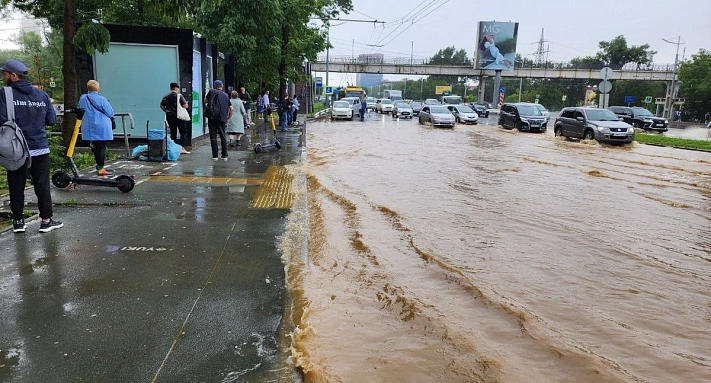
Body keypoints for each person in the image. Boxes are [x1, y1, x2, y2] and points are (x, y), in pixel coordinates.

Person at [0, 59, 62, 233]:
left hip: (15, 149)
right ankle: (46, 220)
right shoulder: (41, 95)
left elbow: (1, 120)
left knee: (16, 184)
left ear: (13, 76)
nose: (3, 77)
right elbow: (51, 120)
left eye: (4, 74)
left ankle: (19, 221)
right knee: (42, 184)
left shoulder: (5, 94)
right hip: (39, 147)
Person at [78, 80, 115, 176]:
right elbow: (110, 112)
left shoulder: (83, 98)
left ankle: (99, 167)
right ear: (98, 88)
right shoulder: (101, 99)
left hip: (89, 127)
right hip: (101, 126)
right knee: (101, 147)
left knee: (96, 147)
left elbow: (80, 109)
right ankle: (101, 168)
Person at [204, 80, 232, 160]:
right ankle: (224, 155)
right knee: (223, 136)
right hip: (222, 118)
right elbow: (231, 108)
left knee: (213, 137)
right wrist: (228, 118)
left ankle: (215, 155)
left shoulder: (212, 91)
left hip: (212, 117)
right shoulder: (226, 95)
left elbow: (205, 101)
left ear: (215, 86)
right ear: (222, 86)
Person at [160, 82, 189, 152]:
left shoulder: (166, 96)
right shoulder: (179, 96)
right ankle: (182, 148)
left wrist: (167, 111)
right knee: (183, 132)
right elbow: (185, 105)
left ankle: (173, 147)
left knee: (173, 132)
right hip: (179, 117)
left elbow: (161, 106)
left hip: (170, 117)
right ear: (176, 88)